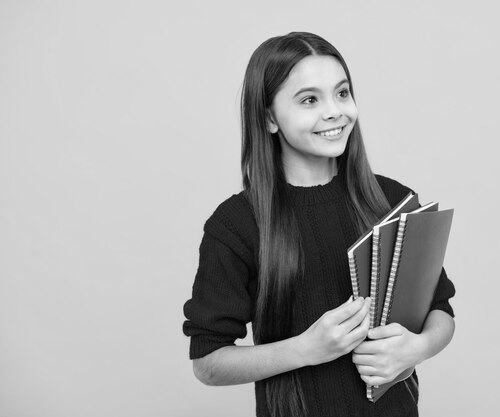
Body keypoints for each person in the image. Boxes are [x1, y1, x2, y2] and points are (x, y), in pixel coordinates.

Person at [182, 31, 456, 417]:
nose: (335, 111)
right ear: (269, 117)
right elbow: (207, 363)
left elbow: (440, 308)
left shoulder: (391, 200)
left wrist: (419, 347)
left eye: (342, 93)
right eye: (310, 99)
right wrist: (305, 349)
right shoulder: (236, 225)